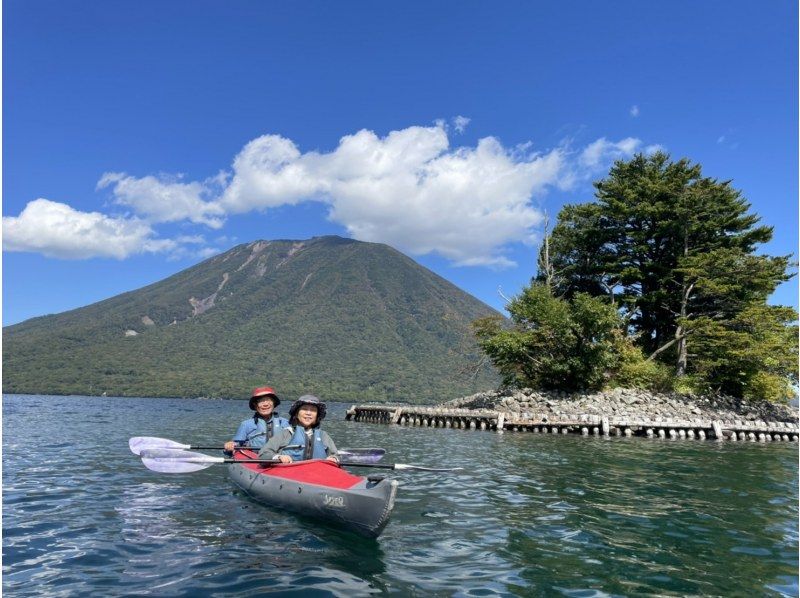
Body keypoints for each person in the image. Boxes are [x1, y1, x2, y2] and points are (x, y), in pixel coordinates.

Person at [258, 394, 339, 463]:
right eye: (304, 409)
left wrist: (333, 458)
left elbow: (335, 455)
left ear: (317, 416)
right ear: (296, 414)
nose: (308, 413)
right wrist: (278, 457)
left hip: (317, 474)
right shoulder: (286, 434)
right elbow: (263, 454)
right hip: (290, 474)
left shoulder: (323, 436)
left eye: (313, 410)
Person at [224, 386, 290, 453]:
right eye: (261, 401)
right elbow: (236, 446)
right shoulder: (246, 425)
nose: (265, 404)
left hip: (280, 459)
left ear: (274, 403)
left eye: (268, 400)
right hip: (255, 458)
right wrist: (230, 446)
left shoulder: (284, 423)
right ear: (255, 405)